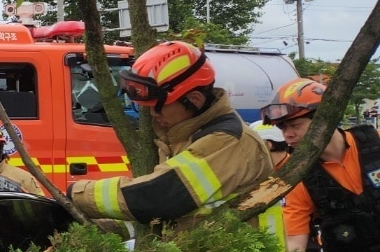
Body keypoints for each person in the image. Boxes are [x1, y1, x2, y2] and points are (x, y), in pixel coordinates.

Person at [68, 41, 279, 239]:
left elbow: (157, 198)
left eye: (158, 106)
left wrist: (73, 194)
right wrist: (91, 228)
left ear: (194, 99)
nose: (152, 114)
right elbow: (168, 220)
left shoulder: (228, 141)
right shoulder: (183, 137)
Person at [262, 77, 380, 252]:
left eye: (295, 125)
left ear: (325, 118)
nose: (287, 135)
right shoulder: (298, 177)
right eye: (282, 128)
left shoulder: (376, 142)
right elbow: (295, 243)